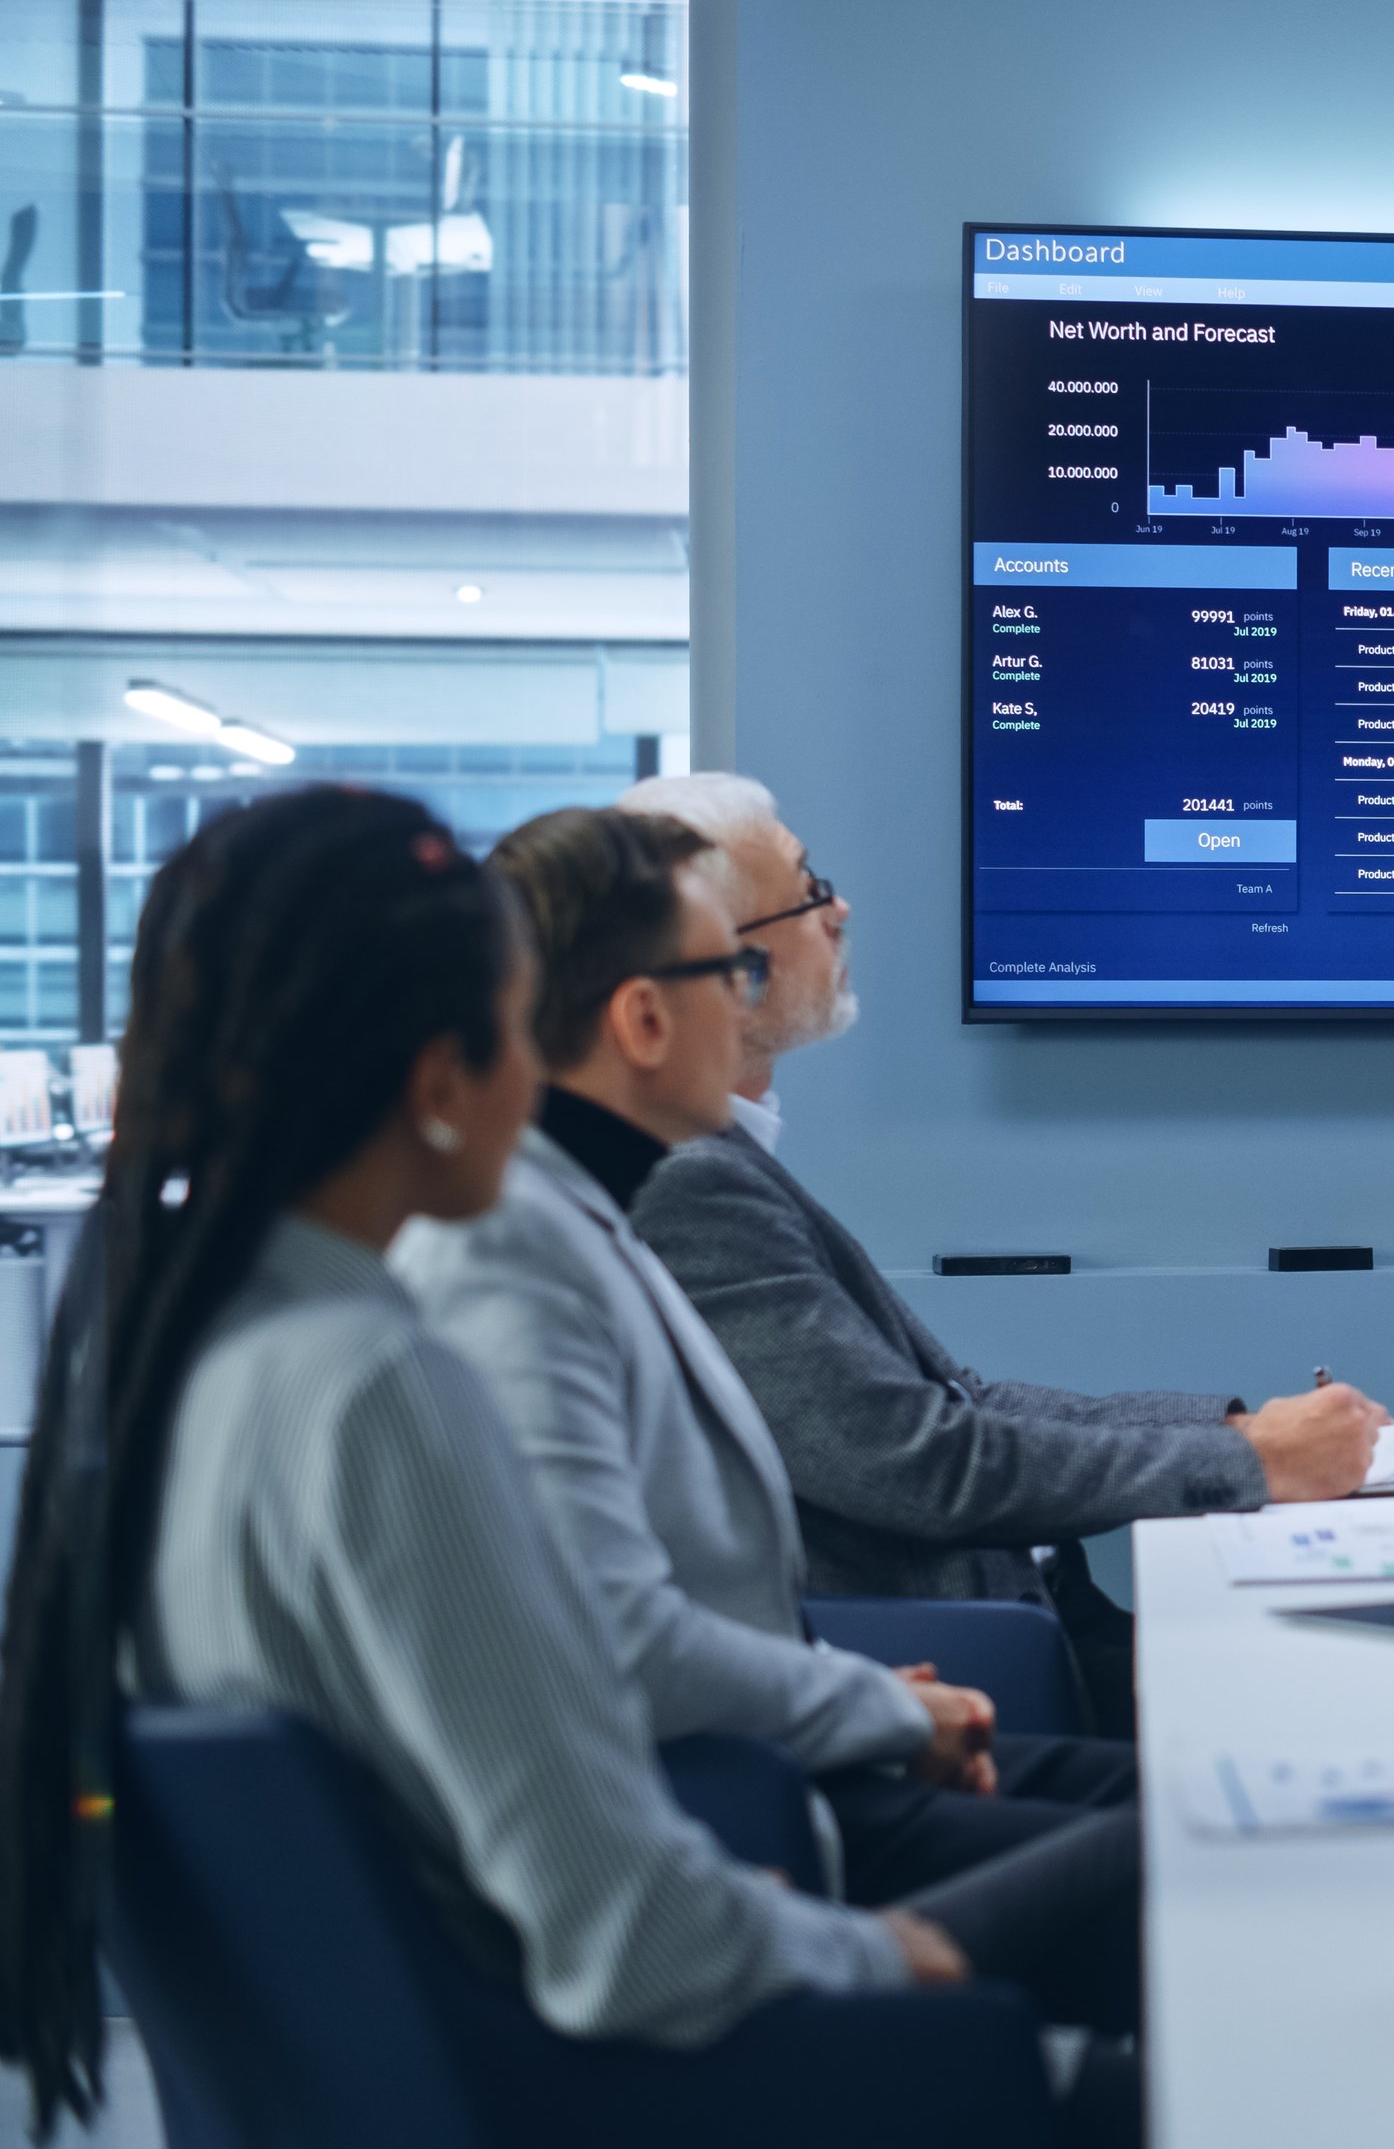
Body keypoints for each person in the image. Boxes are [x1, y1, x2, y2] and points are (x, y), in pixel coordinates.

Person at [0, 790, 1107, 2140]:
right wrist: (883, 1956)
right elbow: (626, 1933)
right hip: (609, 2083)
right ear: (438, 1076)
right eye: (518, 1028)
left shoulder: (196, 1354)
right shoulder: (377, 1384)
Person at [389, 807, 1139, 2026]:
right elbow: (621, 1630)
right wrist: (875, 1709)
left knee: (1202, 1827)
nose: (749, 1010)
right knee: (1208, 1853)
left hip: (781, 1779)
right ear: (643, 1020)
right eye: (729, 976)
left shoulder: (586, 1221)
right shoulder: (523, 1261)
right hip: (749, 1834)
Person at [612, 773, 1382, 1723]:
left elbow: (962, 1401)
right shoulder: (689, 1180)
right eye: (810, 892)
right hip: (973, 1659)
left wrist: (1238, 1435)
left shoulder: (729, 1158)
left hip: (1030, 1615)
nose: (840, 912)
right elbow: (920, 1461)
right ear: (726, 965)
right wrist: (1249, 1462)